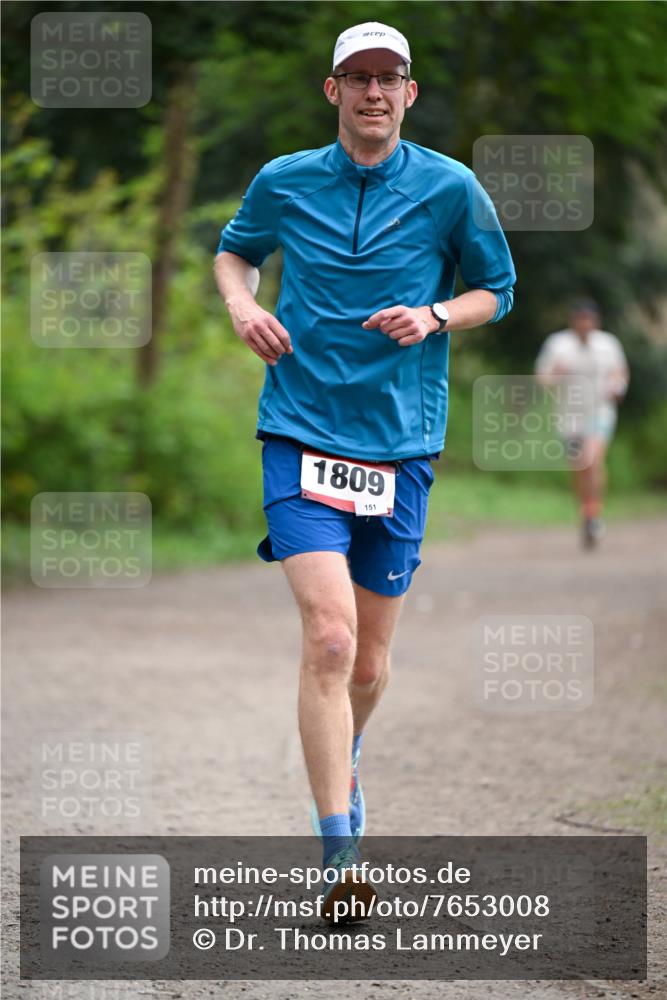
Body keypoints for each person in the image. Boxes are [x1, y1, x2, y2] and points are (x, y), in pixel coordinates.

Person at [214, 21, 515, 922]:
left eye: (389, 79)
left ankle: (343, 753)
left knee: (371, 665)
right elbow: (235, 250)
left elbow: (495, 289)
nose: (374, 92)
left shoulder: (450, 186)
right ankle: (338, 850)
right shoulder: (285, 179)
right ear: (332, 90)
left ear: (409, 93)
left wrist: (433, 315)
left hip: (399, 444)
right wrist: (241, 304)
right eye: (358, 78)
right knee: (331, 640)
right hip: (299, 430)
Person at [535, 299, 629, 549]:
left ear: (595, 322)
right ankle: (588, 512)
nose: (585, 324)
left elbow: (620, 371)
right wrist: (555, 374)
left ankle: (593, 514)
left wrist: (618, 387)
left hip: (600, 412)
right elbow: (542, 378)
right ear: (573, 321)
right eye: (580, 319)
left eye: (589, 319)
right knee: (579, 466)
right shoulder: (558, 344)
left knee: (593, 459)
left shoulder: (608, 344)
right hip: (569, 416)